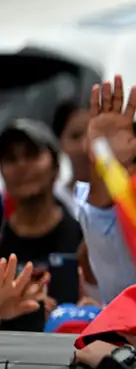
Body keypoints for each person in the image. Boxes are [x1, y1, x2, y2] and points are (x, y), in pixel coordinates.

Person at [0, 120, 83, 330]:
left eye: (31, 154)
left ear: (55, 165)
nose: (21, 166)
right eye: (11, 159)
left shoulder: (85, 239)